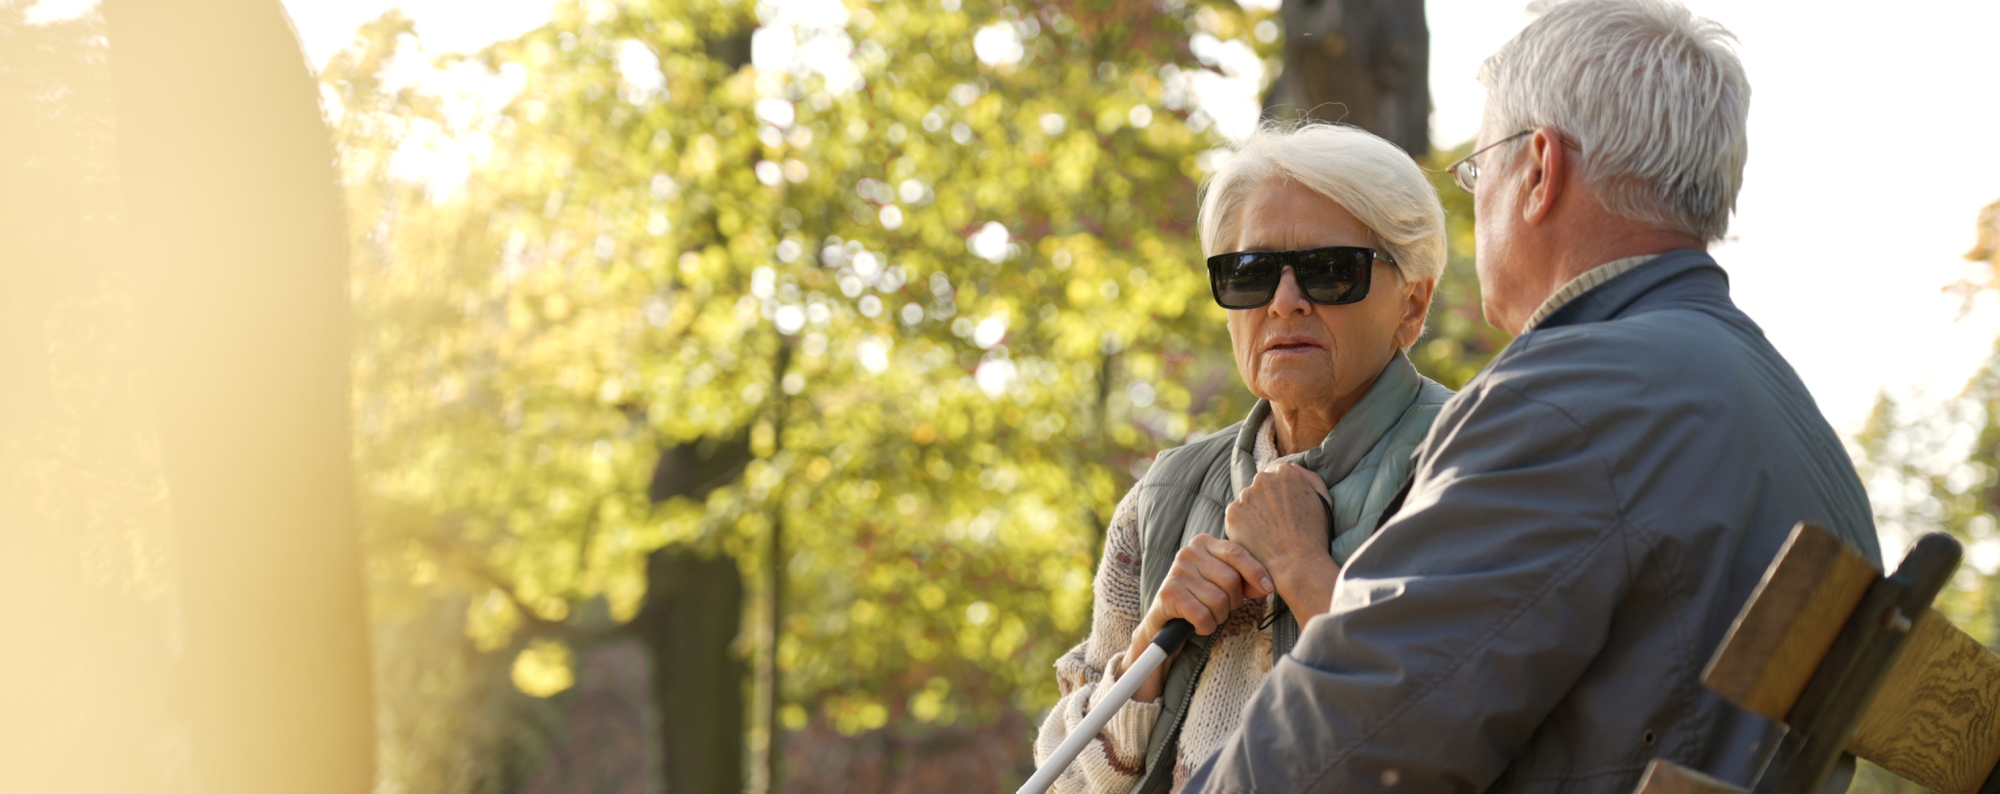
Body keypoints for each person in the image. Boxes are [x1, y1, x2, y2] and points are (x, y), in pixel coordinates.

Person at [1183, 2, 1882, 792]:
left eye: (1479, 170)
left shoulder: (1569, 401)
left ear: (1540, 169)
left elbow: (1348, 746)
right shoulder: (1790, 418)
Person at [1031, 122, 1454, 794]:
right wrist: (1147, 656)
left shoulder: (1476, 462)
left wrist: (1303, 567)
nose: (1285, 302)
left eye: (1330, 270)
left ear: (1414, 302)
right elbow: (1062, 781)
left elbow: (1462, 736)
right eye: (1251, 273)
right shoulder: (1162, 496)